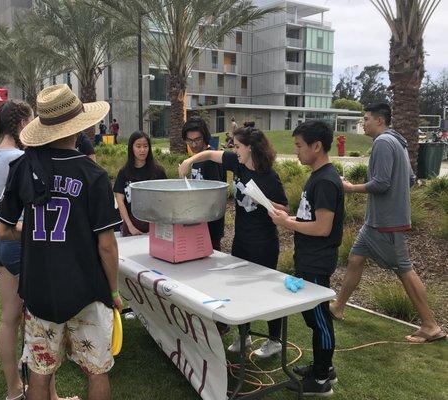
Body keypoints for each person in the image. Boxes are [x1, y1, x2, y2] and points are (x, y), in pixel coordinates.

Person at [0, 84, 122, 400]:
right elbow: (106, 245)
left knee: (40, 371)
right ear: (78, 127)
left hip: (39, 290)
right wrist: (115, 290)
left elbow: (2, 230)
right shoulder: (93, 174)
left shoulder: (22, 167)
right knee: (97, 370)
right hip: (88, 291)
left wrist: (36, 228)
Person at [329, 102, 446, 344]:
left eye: (367, 119)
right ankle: (338, 307)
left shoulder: (383, 143)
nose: (364, 123)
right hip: (377, 221)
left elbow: (381, 183)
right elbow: (411, 180)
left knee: (404, 269)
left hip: (386, 222)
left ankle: (430, 325)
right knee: (355, 259)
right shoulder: (398, 142)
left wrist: (350, 188)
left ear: (379, 121)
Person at [179, 126, 288, 358]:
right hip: (242, 240)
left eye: (238, 146)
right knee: (240, 291)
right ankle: (244, 335)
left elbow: (284, 209)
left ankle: (274, 340)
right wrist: (189, 161)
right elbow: (209, 154)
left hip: (264, 243)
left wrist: (264, 201)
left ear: (250, 148)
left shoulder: (269, 176)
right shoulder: (237, 164)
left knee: (266, 291)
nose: (234, 150)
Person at [269, 120, 344, 396]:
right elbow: (310, 217)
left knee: (319, 318)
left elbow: (323, 227)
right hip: (308, 258)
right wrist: (285, 214)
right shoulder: (317, 176)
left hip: (317, 260)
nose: (297, 151)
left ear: (317, 146)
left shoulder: (325, 180)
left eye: (299, 146)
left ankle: (323, 378)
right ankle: (323, 367)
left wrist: (287, 224)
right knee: (313, 317)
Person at [181, 116, 226, 250]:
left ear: (205, 137)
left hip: (210, 226)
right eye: (189, 140)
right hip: (198, 221)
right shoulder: (196, 159)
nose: (193, 144)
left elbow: (215, 197)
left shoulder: (211, 160)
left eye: (197, 140)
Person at [114, 130, 167, 236]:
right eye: (138, 146)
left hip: (155, 226)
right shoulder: (124, 173)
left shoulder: (158, 172)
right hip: (131, 226)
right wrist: (130, 226)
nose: (142, 150)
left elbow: (166, 199)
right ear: (131, 148)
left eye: (145, 146)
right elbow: (120, 202)